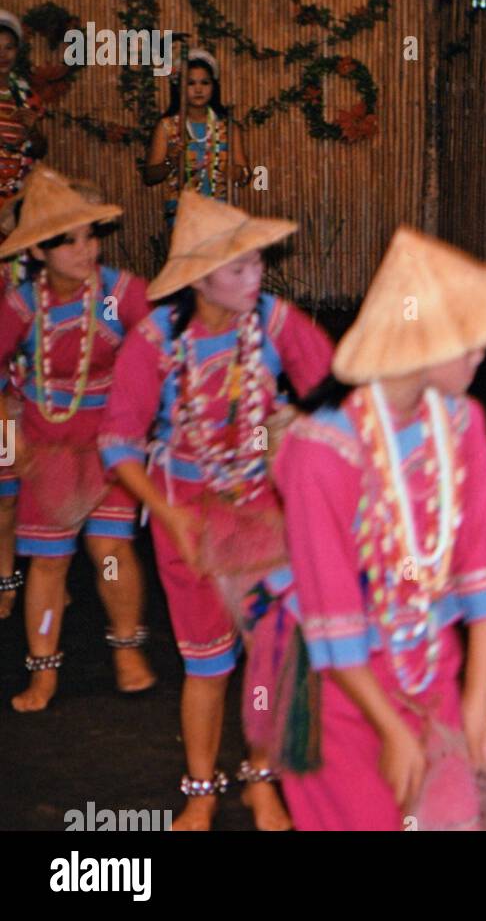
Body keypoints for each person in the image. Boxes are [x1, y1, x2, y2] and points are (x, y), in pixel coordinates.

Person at [248, 226, 486, 831]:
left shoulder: (462, 424)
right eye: (466, 340)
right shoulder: (320, 451)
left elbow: (484, 568)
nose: (481, 352)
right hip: (336, 690)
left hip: (430, 668)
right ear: (420, 346)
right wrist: (389, 728)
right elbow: (333, 609)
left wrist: (477, 701)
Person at [98, 191, 333, 829]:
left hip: (261, 513)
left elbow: (331, 392)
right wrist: (166, 515)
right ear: (201, 279)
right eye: (239, 268)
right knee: (207, 663)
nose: (255, 276)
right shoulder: (155, 340)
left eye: (258, 262)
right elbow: (118, 441)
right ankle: (201, 789)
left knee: (270, 652)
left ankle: (261, 779)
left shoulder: (276, 322)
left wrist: (297, 425)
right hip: (188, 516)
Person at [0, 167, 154, 710]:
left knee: (109, 550)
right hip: (47, 451)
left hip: (112, 447)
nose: (86, 250)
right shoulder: (22, 305)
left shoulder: (117, 295)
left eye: (91, 236)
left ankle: (127, 647)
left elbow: (160, 348)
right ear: (39, 252)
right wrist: (9, 432)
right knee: (47, 562)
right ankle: (42, 670)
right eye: (69, 242)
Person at [143, 48, 249, 229]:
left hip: (221, 214)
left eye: (205, 83)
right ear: (179, 87)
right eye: (191, 83)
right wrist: (170, 162)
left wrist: (237, 173)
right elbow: (149, 177)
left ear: (213, 87)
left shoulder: (228, 127)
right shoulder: (167, 127)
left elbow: (246, 174)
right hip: (182, 217)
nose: (198, 89)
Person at [0, 9, 47, 210]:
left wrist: (33, 129)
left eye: (9, 47)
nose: (3, 55)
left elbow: (39, 151)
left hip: (16, 197)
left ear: (17, 51)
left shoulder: (28, 97)